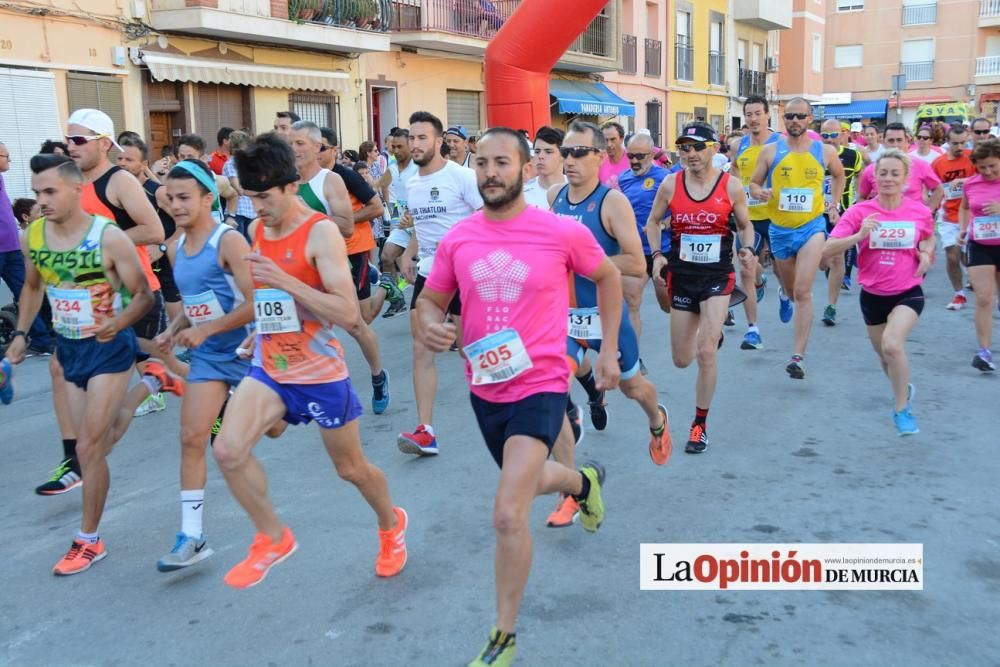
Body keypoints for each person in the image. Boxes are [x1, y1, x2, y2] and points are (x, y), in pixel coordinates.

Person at [417, 127, 613, 666]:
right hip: (485, 386)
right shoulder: (460, 238)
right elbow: (430, 303)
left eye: (501, 162)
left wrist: (610, 351)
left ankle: (503, 635)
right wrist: (430, 327)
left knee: (508, 513)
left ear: (526, 169)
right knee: (525, 478)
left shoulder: (557, 232)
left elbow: (610, 277)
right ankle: (581, 480)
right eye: (480, 163)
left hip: (543, 381)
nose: (489, 173)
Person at [212, 132, 408, 589]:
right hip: (271, 364)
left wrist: (286, 279)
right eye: (249, 196)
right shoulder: (256, 229)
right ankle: (272, 537)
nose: (255, 206)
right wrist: (259, 328)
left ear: (288, 185)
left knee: (350, 469)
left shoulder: (319, 231)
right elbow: (271, 299)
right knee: (226, 448)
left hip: (319, 371)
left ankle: (391, 524)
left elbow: (346, 313)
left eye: (263, 196)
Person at [5, 153, 155, 574]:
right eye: (37, 193)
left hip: (109, 348)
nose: (42, 200)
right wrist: (20, 334)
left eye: (50, 191)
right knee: (88, 446)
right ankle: (153, 383)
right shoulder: (33, 235)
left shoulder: (108, 237)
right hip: (68, 347)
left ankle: (88, 540)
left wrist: (118, 322)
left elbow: (143, 294)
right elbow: (33, 287)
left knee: (89, 448)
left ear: (76, 190)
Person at [41, 108, 168, 493]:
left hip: (131, 297)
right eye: (68, 140)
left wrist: (96, 244)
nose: (70, 146)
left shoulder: (119, 182)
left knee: (107, 412)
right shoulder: (68, 183)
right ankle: (73, 457)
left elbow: (154, 229)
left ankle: (156, 380)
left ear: (102, 142)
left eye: (78, 140)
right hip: (84, 303)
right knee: (59, 368)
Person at [550, 120, 672, 494]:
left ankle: (657, 420)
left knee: (635, 389)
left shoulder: (611, 202)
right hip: (563, 319)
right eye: (565, 152)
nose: (569, 160)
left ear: (600, 156)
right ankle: (571, 488)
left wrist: (581, 262)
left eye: (579, 152)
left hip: (605, 317)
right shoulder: (554, 195)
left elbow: (637, 263)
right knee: (551, 393)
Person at [147, 158, 254, 570]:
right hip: (210, 359)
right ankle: (192, 535)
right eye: (170, 198)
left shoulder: (228, 242)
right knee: (192, 438)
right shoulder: (174, 247)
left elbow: (254, 303)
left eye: (184, 197)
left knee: (275, 430)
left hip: (247, 353)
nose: (175, 205)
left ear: (208, 198)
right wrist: (174, 328)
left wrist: (206, 331)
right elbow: (194, 304)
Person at [649, 121, 756, 453]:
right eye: (684, 147)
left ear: (713, 148)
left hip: (717, 276)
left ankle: (699, 425)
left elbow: (745, 225)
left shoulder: (731, 187)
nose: (690, 153)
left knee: (706, 352)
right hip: (682, 276)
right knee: (682, 360)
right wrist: (656, 255)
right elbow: (653, 222)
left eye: (697, 147)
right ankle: (713, 333)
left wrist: (748, 249)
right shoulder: (670, 184)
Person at [824, 150, 934, 435]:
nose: (888, 179)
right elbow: (827, 249)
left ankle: (902, 410)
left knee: (892, 345)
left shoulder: (919, 211)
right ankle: (903, 387)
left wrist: (925, 253)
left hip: (908, 291)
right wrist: (859, 236)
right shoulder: (860, 212)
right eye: (882, 173)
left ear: (905, 178)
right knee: (885, 357)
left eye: (894, 173)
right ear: (873, 177)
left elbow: (928, 238)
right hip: (872, 295)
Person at [290, 121, 392, 414]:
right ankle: (314, 389)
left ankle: (377, 377)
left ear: (316, 147)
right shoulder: (285, 181)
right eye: (290, 143)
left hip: (340, 260)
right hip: (304, 266)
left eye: (299, 143)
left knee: (357, 324)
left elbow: (347, 227)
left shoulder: (331, 180)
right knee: (302, 325)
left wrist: (304, 218)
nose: (293, 149)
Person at [397, 111, 483, 456]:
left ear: (438, 141)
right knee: (421, 348)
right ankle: (425, 430)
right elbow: (424, 224)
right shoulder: (411, 181)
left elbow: (485, 219)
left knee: (470, 351)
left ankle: (528, 401)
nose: (414, 144)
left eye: (422, 138)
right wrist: (408, 252)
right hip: (430, 274)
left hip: (464, 272)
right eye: (411, 138)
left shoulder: (462, 176)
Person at [749, 97, 845, 379]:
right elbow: (753, 183)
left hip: (811, 227)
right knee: (791, 291)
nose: (794, 121)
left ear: (809, 118)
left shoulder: (824, 151)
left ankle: (798, 356)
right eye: (789, 116)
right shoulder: (770, 152)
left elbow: (839, 176)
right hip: (779, 229)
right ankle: (782, 292)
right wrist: (758, 192)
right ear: (784, 119)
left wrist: (834, 204)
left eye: (800, 116)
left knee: (803, 291)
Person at [319, 126, 406, 325]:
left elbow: (376, 208)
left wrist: (340, 221)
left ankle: (385, 284)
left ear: (334, 150)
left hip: (355, 248)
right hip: (329, 250)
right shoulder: (310, 178)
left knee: (364, 316)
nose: (316, 153)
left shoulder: (347, 176)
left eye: (321, 148)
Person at [729, 95, 780, 350]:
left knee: (784, 272)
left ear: (767, 114)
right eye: (749, 114)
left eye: (758, 113)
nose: (753, 118)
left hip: (777, 216)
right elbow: (735, 174)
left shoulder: (781, 142)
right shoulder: (739, 145)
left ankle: (784, 292)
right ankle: (753, 330)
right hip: (748, 218)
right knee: (747, 267)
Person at [1, 141, 53, 354]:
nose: (10, 160)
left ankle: (42, 338)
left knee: (28, 292)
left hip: (11, 248)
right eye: (6, 156)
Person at [619, 131, 672, 340]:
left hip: (663, 249)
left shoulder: (666, 178)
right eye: (630, 156)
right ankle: (633, 359)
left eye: (639, 156)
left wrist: (661, 225)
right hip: (635, 252)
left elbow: (679, 212)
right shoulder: (623, 179)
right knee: (631, 301)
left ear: (651, 155)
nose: (634, 161)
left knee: (667, 305)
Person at [958, 138, 1000, 372]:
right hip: (980, 244)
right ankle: (984, 351)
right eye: (982, 167)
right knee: (984, 298)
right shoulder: (971, 184)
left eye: (992, 165)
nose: (987, 171)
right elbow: (965, 208)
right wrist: (963, 228)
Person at [818, 118, 864, 326]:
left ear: (843, 134)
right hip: (816, 213)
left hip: (842, 213)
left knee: (836, 257)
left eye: (833, 135)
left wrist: (860, 204)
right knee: (821, 260)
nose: (829, 139)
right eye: (825, 135)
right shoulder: (813, 154)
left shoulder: (853, 156)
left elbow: (861, 180)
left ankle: (831, 306)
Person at [932, 125, 976, 311]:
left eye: (962, 143)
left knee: (968, 257)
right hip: (948, 216)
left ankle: (976, 280)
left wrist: (963, 181)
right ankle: (959, 295)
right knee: (952, 256)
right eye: (955, 143)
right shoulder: (938, 163)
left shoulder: (973, 158)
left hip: (972, 215)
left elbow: (987, 178)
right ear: (947, 142)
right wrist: (930, 211)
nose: (959, 147)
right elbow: (932, 189)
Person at [858, 123, 943, 209]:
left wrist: (928, 212)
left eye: (899, 140)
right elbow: (862, 197)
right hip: (883, 220)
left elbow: (938, 190)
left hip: (913, 219)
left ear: (906, 140)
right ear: (883, 142)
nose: (895, 145)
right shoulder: (871, 169)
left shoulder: (920, 165)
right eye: (891, 140)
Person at [379, 127, 418, 316]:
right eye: (393, 146)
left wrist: (412, 216)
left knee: (430, 269)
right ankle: (397, 300)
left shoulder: (419, 168)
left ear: (411, 146)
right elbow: (380, 186)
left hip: (422, 225)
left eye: (400, 146)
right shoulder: (392, 168)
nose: (395, 150)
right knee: (386, 257)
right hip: (402, 224)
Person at [221, 130, 257, 239]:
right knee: (240, 247)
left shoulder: (249, 165)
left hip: (251, 212)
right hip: (237, 212)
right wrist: (254, 191)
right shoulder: (230, 164)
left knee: (252, 247)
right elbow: (238, 189)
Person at [522, 126, 566, 208]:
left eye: (548, 152)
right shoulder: (522, 195)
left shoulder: (578, 189)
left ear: (563, 155)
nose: (540, 156)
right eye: (537, 151)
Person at [597, 121, 629, 189]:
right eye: (605, 140)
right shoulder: (599, 161)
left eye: (613, 139)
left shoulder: (633, 159)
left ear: (622, 139)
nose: (609, 144)